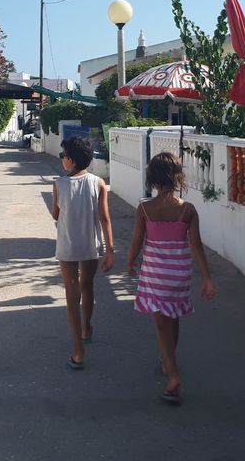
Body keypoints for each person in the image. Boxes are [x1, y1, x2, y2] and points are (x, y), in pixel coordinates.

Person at [126, 152, 216, 405]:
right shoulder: (188, 210)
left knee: (161, 325)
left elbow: (136, 241)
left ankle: (173, 376)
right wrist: (206, 278)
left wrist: (130, 262)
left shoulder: (145, 209)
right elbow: (196, 246)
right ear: (177, 177)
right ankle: (168, 360)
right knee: (173, 319)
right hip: (179, 274)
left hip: (155, 274)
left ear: (152, 178)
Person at [52, 136, 115, 370]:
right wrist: (110, 250)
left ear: (70, 159)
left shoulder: (59, 185)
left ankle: (78, 351)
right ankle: (87, 328)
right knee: (87, 286)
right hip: (91, 245)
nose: (62, 160)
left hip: (67, 245)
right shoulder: (98, 183)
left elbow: (55, 214)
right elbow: (105, 218)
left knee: (71, 295)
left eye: (63, 156)